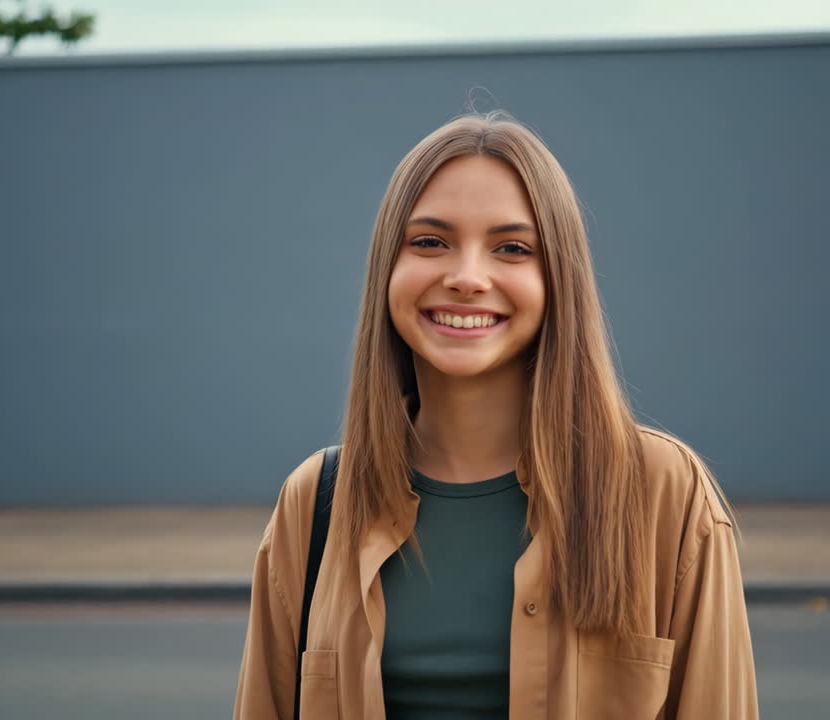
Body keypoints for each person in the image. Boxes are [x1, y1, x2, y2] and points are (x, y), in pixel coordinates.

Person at [233, 111, 758, 719]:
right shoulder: (315, 505)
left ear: (557, 277)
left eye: (512, 248)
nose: (467, 278)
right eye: (430, 241)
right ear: (387, 270)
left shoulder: (665, 494)